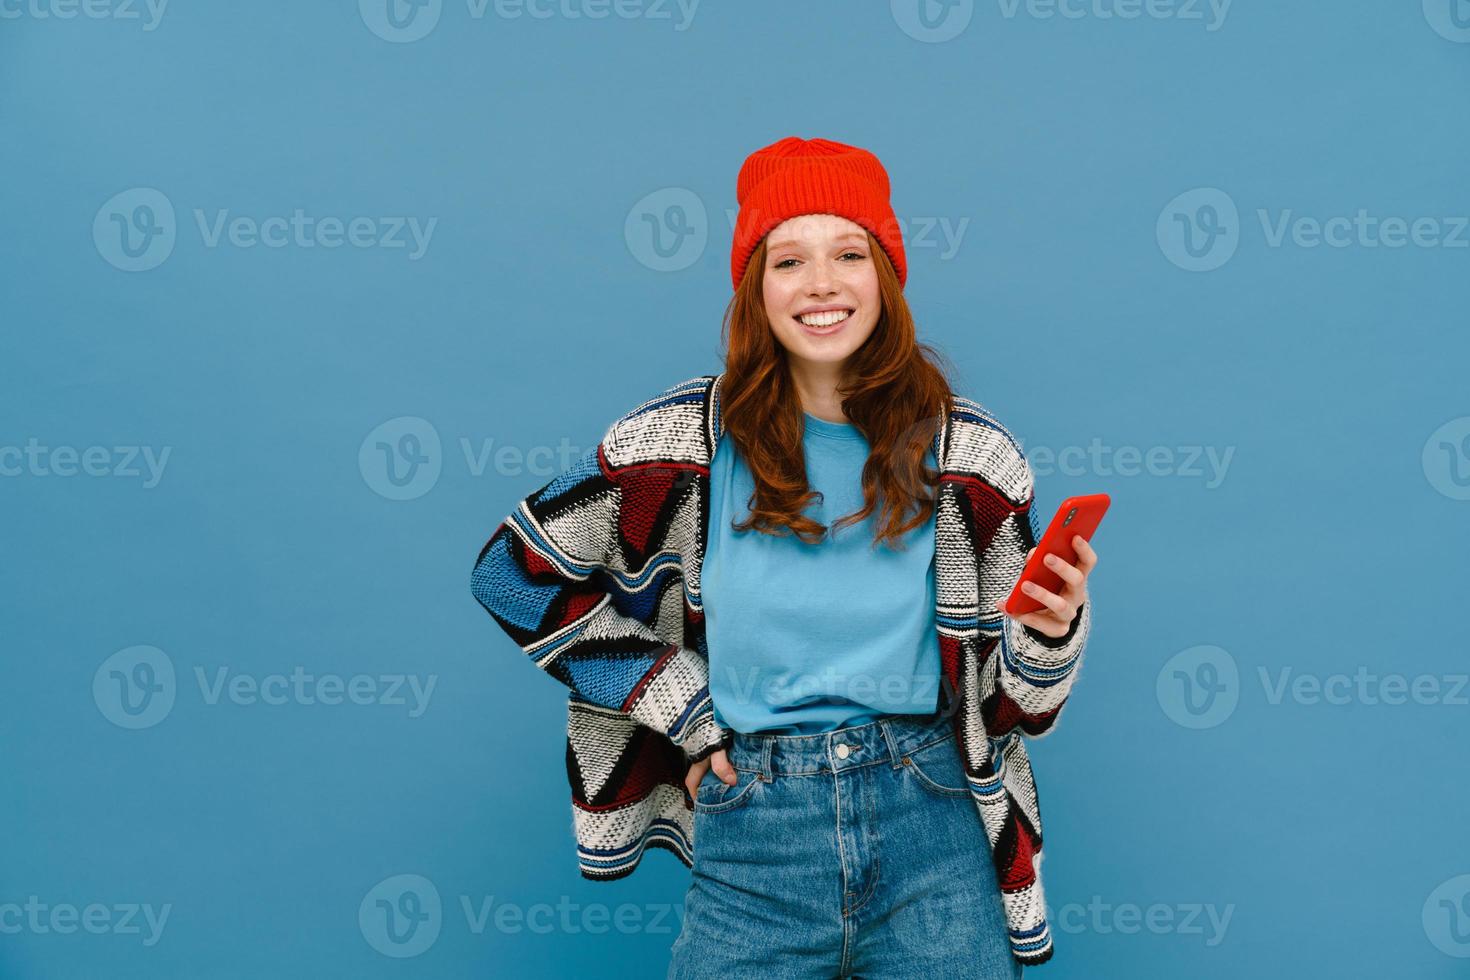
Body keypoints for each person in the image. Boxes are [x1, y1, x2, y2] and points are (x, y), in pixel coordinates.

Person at [470, 136, 1098, 979]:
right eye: (788, 260)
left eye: (849, 253)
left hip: (935, 824)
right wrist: (681, 706)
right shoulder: (676, 445)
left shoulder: (971, 459)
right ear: (754, 288)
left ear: (885, 275)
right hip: (756, 832)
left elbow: (1022, 710)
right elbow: (510, 576)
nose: (822, 284)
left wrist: (1050, 635)